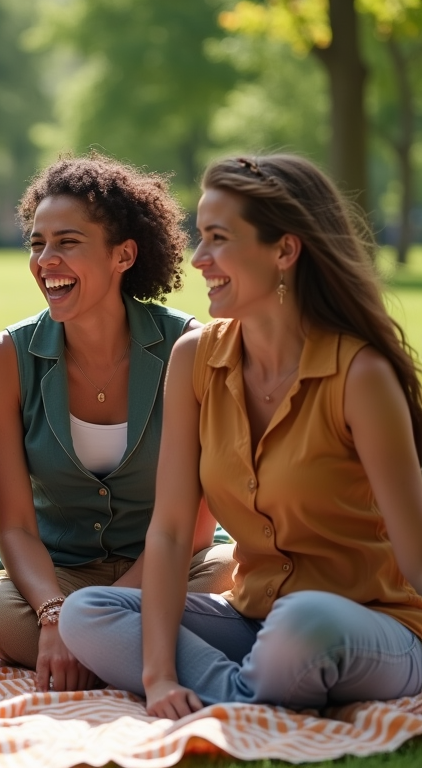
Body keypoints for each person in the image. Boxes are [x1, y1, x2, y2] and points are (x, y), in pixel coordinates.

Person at [60, 154, 422, 716]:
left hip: (373, 626)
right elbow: (173, 531)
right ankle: (254, 692)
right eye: (199, 237)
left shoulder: (360, 374)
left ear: (284, 250)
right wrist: (157, 676)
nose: (199, 259)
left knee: (304, 622)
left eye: (218, 238)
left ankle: (241, 693)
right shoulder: (196, 357)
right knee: (87, 613)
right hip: (256, 618)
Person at [0, 154, 235, 692]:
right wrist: (53, 614)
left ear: (124, 255)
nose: (46, 259)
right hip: (58, 574)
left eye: (67, 242)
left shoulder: (189, 348)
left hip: (172, 565)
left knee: (232, 571)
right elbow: (17, 528)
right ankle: (145, 653)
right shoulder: (3, 358)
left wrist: (89, 620)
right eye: (37, 243)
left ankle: (96, 654)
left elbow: (197, 528)